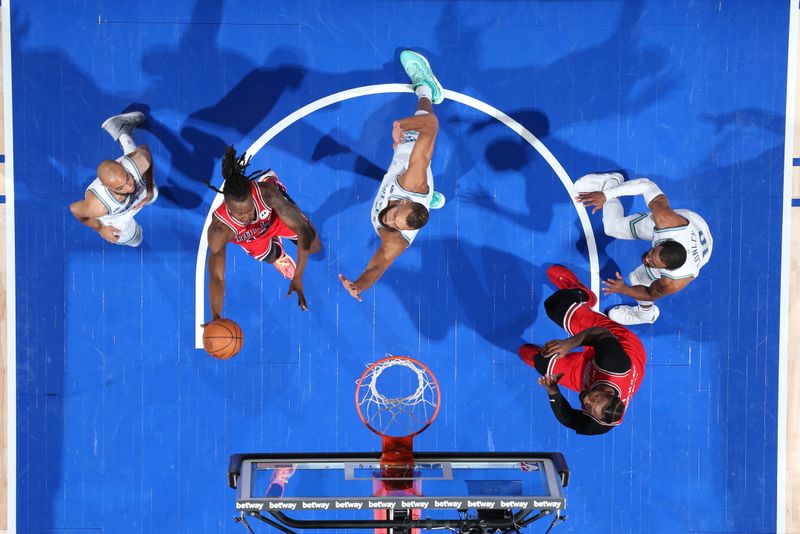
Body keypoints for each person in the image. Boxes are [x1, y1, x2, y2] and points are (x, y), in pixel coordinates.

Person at [339, 50, 446, 301]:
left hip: (407, 188)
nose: (391, 220)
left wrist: (358, 286)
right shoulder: (412, 183)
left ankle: (431, 200)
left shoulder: (396, 239)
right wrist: (401, 125)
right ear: (406, 202)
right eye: (397, 215)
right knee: (420, 128)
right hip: (410, 168)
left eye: (397, 223)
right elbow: (433, 126)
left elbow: (377, 267)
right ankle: (426, 88)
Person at [518, 265, 647, 435]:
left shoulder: (600, 422)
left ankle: (543, 357)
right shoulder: (615, 365)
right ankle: (582, 293)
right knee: (555, 306)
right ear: (608, 392)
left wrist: (553, 391)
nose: (585, 400)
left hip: (589, 375)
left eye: (588, 407)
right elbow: (599, 334)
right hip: (616, 342)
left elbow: (568, 418)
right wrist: (568, 344)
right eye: (594, 399)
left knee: (541, 363)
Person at [574, 172, 712, 325]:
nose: (647, 258)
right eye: (652, 253)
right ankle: (611, 182)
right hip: (695, 223)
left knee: (636, 279)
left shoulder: (673, 281)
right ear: (662, 243)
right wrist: (607, 195)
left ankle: (645, 315)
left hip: (702, 253)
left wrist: (624, 289)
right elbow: (647, 185)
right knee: (612, 228)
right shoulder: (667, 222)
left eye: (653, 263)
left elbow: (649, 293)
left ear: (666, 270)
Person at [205, 146, 321, 316]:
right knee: (271, 257)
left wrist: (299, 275)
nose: (246, 216)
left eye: (248, 209)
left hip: (274, 217)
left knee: (312, 243)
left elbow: (301, 229)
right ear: (227, 205)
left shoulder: (266, 195)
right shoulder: (220, 229)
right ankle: (280, 256)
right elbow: (217, 276)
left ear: (252, 197)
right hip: (250, 237)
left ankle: (271, 181)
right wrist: (216, 314)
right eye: (239, 213)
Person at [69, 111, 157, 247]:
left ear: (121, 164)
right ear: (106, 187)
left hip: (135, 185)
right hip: (115, 218)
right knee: (136, 239)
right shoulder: (98, 206)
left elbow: (145, 153)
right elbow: (74, 209)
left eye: (127, 178)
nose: (129, 187)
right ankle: (121, 131)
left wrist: (149, 188)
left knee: (153, 194)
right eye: (120, 187)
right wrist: (100, 228)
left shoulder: (136, 163)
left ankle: (121, 130)